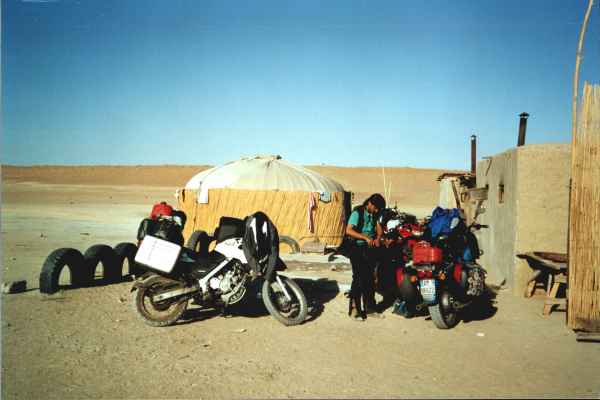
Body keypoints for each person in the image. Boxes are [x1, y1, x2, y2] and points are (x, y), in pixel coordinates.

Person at [346, 193, 386, 321]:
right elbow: (349, 230)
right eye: (375, 208)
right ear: (370, 203)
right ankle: (354, 309)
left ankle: (370, 308)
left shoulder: (374, 215)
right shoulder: (357, 213)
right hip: (356, 248)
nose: (376, 211)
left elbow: (379, 230)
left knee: (369, 279)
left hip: (369, 249)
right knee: (358, 278)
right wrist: (365, 237)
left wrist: (378, 238)